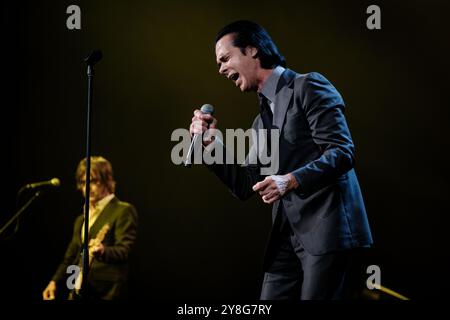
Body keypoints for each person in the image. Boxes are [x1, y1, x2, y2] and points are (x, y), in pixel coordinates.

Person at [189, 20, 373, 299]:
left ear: (252, 50)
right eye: (218, 64)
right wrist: (212, 144)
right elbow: (245, 184)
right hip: (286, 237)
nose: (221, 68)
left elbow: (341, 152)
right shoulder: (259, 123)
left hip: (326, 228)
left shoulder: (307, 85)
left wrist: (291, 180)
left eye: (225, 58)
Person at [42, 156, 138, 300]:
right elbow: (71, 255)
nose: (87, 187)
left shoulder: (122, 210)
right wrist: (54, 281)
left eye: (93, 181)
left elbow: (124, 251)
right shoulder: (81, 219)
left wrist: (103, 250)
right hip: (82, 289)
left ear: (107, 180)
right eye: (83, 182)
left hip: (108, 291)